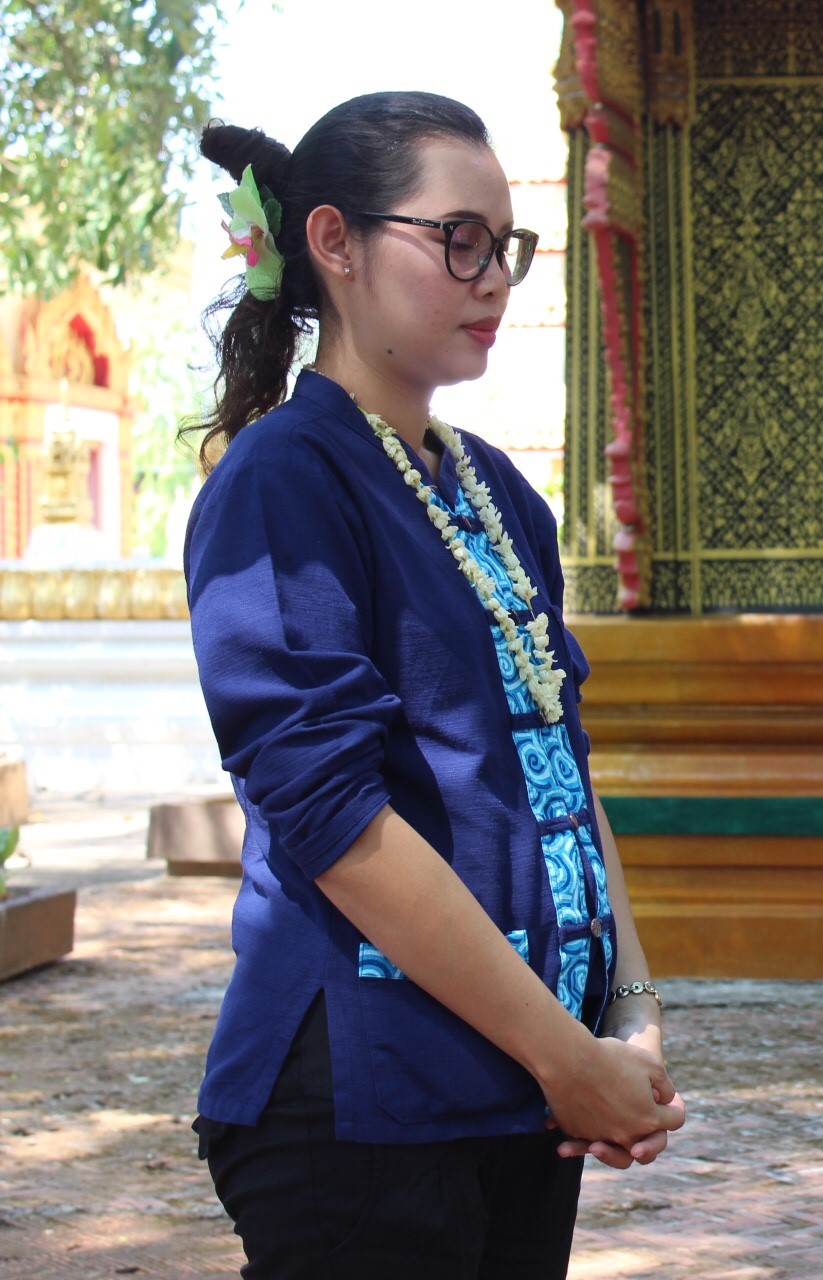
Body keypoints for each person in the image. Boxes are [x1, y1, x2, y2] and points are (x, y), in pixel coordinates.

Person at [182, 92, 683, 1277]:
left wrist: (627, 1004)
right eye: (457, 238)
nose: (493, 276)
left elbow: (560, 753)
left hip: (514, 1089)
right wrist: (568, 1057)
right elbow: (336, 821)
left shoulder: (496, 491)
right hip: (364, 1098)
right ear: (335, 242)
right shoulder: (282, 483)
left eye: (505, 245)